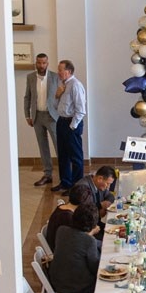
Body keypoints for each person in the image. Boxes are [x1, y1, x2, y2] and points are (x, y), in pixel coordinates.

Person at [48, 205, 102, 293]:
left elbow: (78, 240)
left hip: (55, 281)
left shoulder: (61, 230)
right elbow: (95, 268)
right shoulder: (89, 241)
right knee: (101, 280)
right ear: (94, 224)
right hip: (73, 286)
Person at [24, 52, 60, 187]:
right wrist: (27, 115)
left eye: (44, 63)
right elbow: (27, 97)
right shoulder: (30, 77)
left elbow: (61, 96)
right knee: (42, 146)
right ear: (36, 63)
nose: (41, 65)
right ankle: (47, 174)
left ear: (47, 63)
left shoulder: (55, 77)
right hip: (37, 116)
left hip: (52, 116)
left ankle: (64, 174)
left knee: (58, 145)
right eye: (39, 63)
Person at [53, 59, 87, 193]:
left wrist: (72, 126)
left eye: (60, 70)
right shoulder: (62, 85)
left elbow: (81, 110)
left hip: (71, 123)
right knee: (63, 155)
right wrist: (57, 95)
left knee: (75, 157)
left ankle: (76, 187)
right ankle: (65, 183)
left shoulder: (75, 85)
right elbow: (56, 107)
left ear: (69, 71)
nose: (58, 72)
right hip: (61, 121)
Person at [46, 182, 97, 249]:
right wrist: (93, 231)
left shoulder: (62, 207)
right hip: (60, 249)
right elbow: (77, 241)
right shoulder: (68, 217)